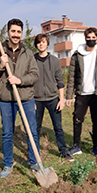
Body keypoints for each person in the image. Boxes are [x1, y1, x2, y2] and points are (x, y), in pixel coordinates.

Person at [0, 18, 40, 178]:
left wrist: (20, 80)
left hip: (26, 98)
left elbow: (35, 74)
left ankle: (34, 162)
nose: (16, 34)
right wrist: (1, 66)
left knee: (32, 131)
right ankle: (8, 164)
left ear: (21, 33)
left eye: (19, 32)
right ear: (7, 32)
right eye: (13, 31)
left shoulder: (28, 53)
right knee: (7, 133)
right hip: (6, 99)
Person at [32, 33, 72, 162]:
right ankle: (34, 154)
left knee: (58, 127)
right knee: (35, 128)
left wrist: (61, 99)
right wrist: (31, 100)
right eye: (39, 42)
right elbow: (30, 81)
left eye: (43, 42)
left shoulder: (54, 60)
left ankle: (63, 151)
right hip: (37, 100)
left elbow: (60, 81)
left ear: (47, 44)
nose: (41, 44)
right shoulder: (32, 60)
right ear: (36, 45)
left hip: (53, 99)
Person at [68, 27, 97, 157]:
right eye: (88, 38)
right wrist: (69, 95)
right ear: (85, 38)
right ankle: (76, 146)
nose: (90, 40)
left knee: (96, 120)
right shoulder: (77, 54)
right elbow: (71, 76)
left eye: (93, 38)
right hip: (81, 93)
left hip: (96, 94)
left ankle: (96, 146)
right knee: (77, 119)